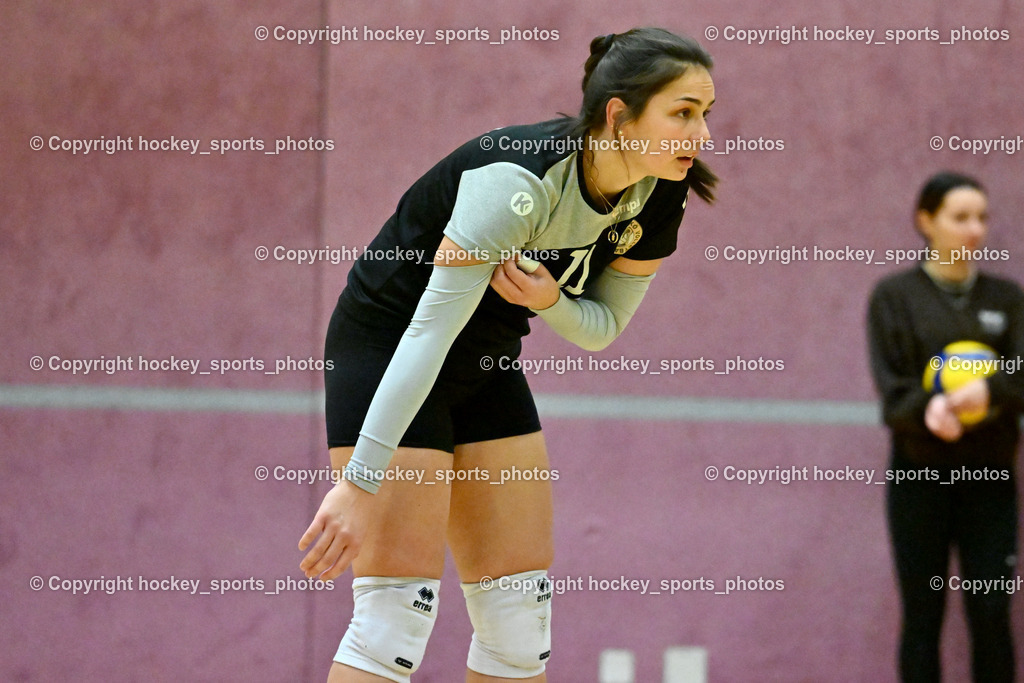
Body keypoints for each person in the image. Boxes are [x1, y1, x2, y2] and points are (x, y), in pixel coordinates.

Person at [299, 27, 717, 682]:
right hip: (392, 345)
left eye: (705, 114)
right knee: (392, 621)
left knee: (519, 624)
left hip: (487, 355)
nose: (703, 135)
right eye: (683, 113)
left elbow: (601, 326)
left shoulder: (660, 192)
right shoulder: (515, 182)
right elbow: (428, 334)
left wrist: (550, 300)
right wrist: (359, 483)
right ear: (618, 114)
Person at [867, 171, 1024, 683]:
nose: (974, 229)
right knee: (922, 616)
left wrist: (990, 391)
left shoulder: (1008, 299)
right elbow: (893, 395)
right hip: (919, 480)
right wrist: (928, 409)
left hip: (991, 481)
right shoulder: (894, 297)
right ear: (926, 221)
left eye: (981, 217)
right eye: (960, 217)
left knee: (991, 613)